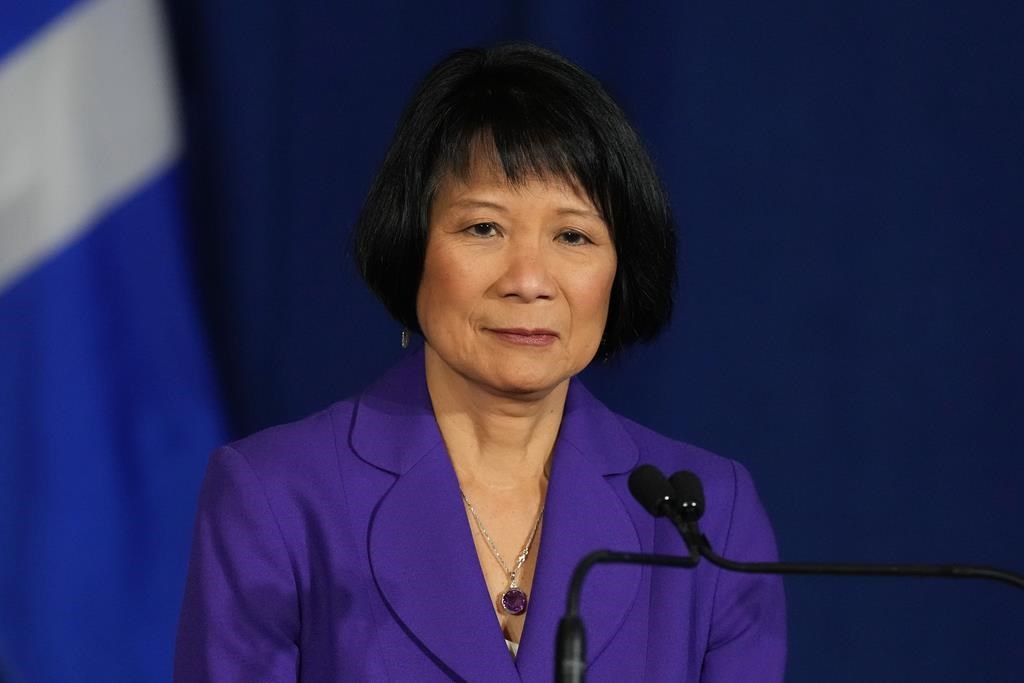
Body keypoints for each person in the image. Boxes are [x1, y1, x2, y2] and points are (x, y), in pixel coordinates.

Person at [174, 43, 785, 681]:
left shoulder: (705, 517)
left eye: (573, 235)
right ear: (412, 246)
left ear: (620, 269)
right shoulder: (278, 496)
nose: (528, 280)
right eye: (483, 229)